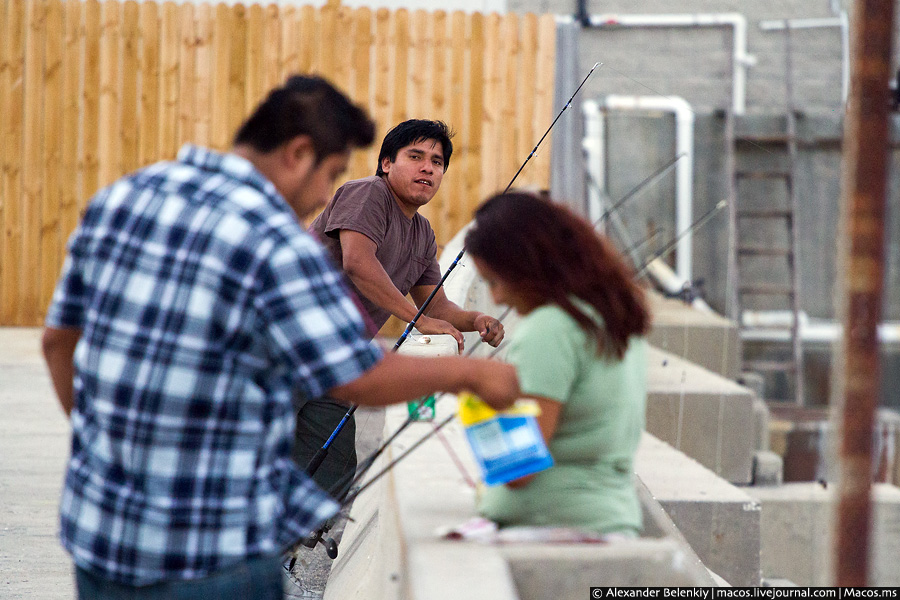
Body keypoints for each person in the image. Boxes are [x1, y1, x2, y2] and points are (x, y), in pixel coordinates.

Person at [41, 76, 519, 599]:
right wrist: (470, 372)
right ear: (298, 153)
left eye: (437, 160)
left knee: (328, 464)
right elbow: (356, 372)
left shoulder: (124, 197)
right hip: (214, 553)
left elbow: (58, 342)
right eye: (331, 172)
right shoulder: (276, 240)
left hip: (99, 535)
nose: (324, 195)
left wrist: (108, 444)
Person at [300, 119, 505, 494]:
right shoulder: (367, 194)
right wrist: (418, 319)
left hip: (330, 364)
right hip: (284, 346)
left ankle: (282, 547)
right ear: (386, 164)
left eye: (437, 162)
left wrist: (476, 318)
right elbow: (358, 263)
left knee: (333, 473)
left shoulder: (422, 233)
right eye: (415, 156)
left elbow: (436, 305)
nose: (428, 167)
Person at [464, 191, 650, 537]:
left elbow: (519, 470)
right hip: (611, 519)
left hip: (557, 531)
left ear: (527, 266)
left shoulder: (549, 329)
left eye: (494, 281)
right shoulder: (615, 317)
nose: (497, 298)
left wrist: (476, 401)